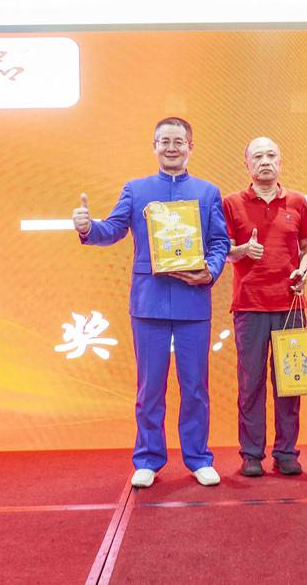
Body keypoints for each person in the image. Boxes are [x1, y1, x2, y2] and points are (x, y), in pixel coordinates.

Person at [71, 117, 231, 488]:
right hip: (149, 303)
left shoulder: (207, 192)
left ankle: (198, 458)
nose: (171, 147)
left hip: (193, 301)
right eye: (164, 141)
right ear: (154, 146)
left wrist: (210, 270)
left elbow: (220, 242)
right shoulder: (136, 189)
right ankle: (147, 458)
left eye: (179, 141)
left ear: (190, 146)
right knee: (150, 387)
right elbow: (112, 229)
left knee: (195, 387)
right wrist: (87, 227)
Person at [223, 137, 307, 478]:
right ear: (247, 164)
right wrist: (242, 251)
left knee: (291, 381)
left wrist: (302, 271)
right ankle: (251, 454)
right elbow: (224, 251)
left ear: (280, 161)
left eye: (271, 155)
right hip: (249, 305)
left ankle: (286, 452)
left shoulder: (297, 201)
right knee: (251, 383)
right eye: (258, 156)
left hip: (290, 305)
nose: (265, 161)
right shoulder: (231, 203)